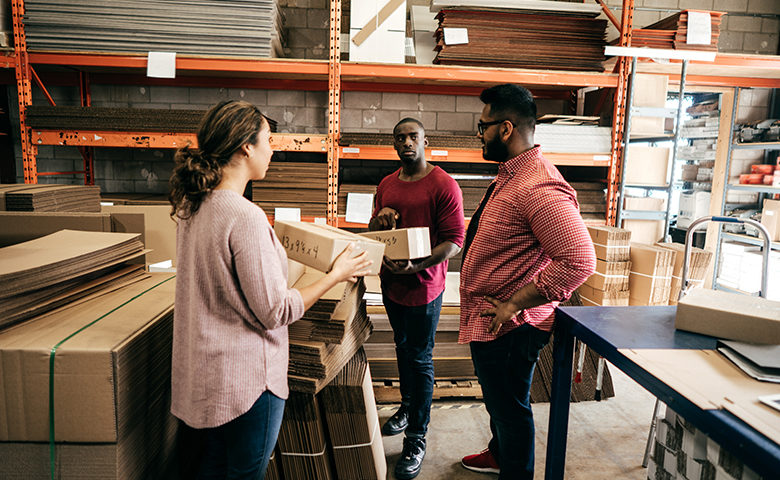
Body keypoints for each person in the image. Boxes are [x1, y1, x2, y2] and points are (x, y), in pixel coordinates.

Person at [168, 100, 372, 480]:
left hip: (202, 377)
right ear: (246, 146)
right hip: (245, 384)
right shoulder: (244, 216)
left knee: (210, 471)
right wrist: (336, 273)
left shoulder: (192, 205)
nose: (272, 148)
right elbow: (276, 311)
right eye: (268, 139)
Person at [458, 84, 596, 479]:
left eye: (482, 127)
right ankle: (500, 453)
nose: (479, 134)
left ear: (505, 129)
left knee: (510, 408)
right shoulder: (512, 176)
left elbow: (579, 259)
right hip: (496, 321)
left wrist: (515, 302)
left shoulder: (537, 185)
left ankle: (514, 469)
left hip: (512, 326)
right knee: (499, 401)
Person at [369, 117, 465, 479]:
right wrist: (381, 220)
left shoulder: (443, 185)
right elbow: (373, 230)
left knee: (420, 358)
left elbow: (454, 241)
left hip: (424, 288)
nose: (406, 142)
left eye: (413, 136)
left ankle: (416, 437)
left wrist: (417, 267)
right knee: (401, 347)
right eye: (400, 138)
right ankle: (407, 407)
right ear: (394, 145)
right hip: (392, 286)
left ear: (425, 141)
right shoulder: (387, 184)